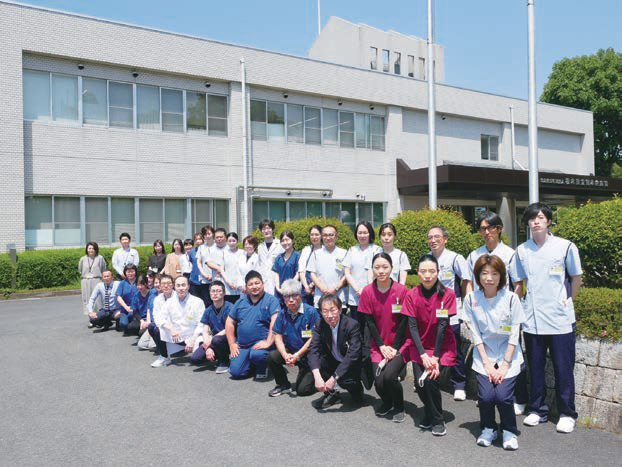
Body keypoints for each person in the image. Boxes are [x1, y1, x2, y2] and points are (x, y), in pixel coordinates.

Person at [515, 202, 583, 433]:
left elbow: (576, 277)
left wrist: (568, 301)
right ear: (527, 223)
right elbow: (519, 283)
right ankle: (537, 410)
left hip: (560, 320)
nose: (536, 221)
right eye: (532, 218)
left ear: (549, 221)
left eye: (541, 217)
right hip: (533, 320)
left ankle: (567, 413)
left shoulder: (565, 247)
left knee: (564, 368)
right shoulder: (522, 250)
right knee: (535, 368)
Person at [466, 211, 527, 414]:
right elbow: (469, 285)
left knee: (512, 352)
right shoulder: (475, 255)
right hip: (481, 313)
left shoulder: (510, 254)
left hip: (505, 313)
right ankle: (489, 395)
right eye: (483, 228)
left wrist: (511, 309)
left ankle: (517, 397)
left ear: (499, 229)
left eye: (491, 228)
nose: (487, 232)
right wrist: (470, 311)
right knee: (485, 352)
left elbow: (518, 284)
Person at [463, 254, 524, 450]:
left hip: (509, 355)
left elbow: (515, 333)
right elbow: (476, 334)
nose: (489, 278)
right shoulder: (472, 299)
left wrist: (505, 365)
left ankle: (509, 431)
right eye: (484, 273)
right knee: (486, 397)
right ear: (478, 276)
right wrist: (488, 364)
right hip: (484, 354)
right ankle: (488, 428)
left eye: (494, 273)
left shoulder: (511, 299)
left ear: (501, 276)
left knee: (504, 396)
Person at [401, 254, 457, 436]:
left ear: (438, 272)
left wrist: (435, 357)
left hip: (441, 347)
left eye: (432, 271)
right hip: (420, 346)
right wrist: (423, 354)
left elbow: (442, 327)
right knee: (420, 382)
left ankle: (437, 419)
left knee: (430, 381)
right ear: (417, 272)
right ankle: (429, 411)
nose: (427, 275)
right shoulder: (411, 295)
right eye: (423, 271)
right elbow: (412, 326)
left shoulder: (448, 295)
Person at [359, 252, 411, 422]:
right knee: (379, 381)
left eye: (385, 267)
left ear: (391, 268)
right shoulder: (367, 292)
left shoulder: (402, 291)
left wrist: (395, 348)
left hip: (400, 344)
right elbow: (370, 322)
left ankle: (399, 405)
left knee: (389, 376)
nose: (381, 271)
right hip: (378, 344)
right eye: (377, 267)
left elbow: (404, 322)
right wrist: (381, 346)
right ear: (372, 269)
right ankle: (387, 402)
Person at [427, 225, 473, 401]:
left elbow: (467, 282)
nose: (433, 240)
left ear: (445, 239)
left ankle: (459, 384)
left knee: (453, 348)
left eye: (437, 236)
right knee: (431, 346)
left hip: (451, 311)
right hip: (430, 311)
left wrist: (467, 310)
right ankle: (431, 378)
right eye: (430, 237)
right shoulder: (427, 258)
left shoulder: (455, 258)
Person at [307, 294, 364, 409]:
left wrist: (334, 378)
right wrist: (317, 375)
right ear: (321, 312)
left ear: (339, 309)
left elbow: (353, 354)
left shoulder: (352, 325)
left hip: (351, 363)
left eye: (333, 310)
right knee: (316, 364)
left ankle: (357, 391)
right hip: (333, 359)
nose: (329, 315)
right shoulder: (320, 325)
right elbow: (313, 349)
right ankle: (333, 394)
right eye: (325, 311)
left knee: (344, 380)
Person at [266, 279, 321, 397]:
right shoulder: (282, 313)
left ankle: (321, 374)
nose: (291, 300)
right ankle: (283, 385)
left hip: (308, 355)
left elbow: (313, 338)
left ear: (300, 296)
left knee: (302, 391)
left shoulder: (311, 312)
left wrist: (297, 355)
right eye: (287, 296)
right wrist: (285, 355)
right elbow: (278, 336)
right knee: (272, 356)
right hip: (291, 352)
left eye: (294, 296)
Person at [225, 270, 280, 379]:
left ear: (263, 284)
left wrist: (269, 342)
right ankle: (251, 365)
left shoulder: (271, 300)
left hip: (261, 345)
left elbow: (275, 322)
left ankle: (263, 366)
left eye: (257, 283)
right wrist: (232, 344)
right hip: (243, 345)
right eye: (250, 284)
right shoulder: (240, 302)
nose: (254, 286)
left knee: (257, 356)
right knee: (235, 373)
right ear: (246, 287)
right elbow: (229, 322)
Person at [156, 275, 205, 365]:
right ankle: (164, 357)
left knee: (196, 359)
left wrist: (193, 339)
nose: (181, 288)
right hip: (177, 336)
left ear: (188, 286)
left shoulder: (197, 302)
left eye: (183, 285)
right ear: (174, 287)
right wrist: (171, 329)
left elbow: (201, 323)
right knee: (156, 328)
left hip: (194, 336)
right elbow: (160, 318)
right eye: (178, 286)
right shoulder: (170, 302)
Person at [189, 280, 233, 372]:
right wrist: (208, 347)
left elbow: (228, 328)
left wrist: (211, 341)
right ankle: (216, 354)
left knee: (217, 340)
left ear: (224, 293)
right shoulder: (208, 310)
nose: (215, 293)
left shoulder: (230, 307)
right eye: (213, 291)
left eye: (218, 291)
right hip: (214, 341)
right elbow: (205, 330)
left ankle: (224, 362)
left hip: (228, 339)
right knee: (195, 359)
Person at [344, 220, 381, 320]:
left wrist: (365, 290)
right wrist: (357, 289)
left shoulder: (377, 250)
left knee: (370, 327)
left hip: (372, 294)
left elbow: (378, 272)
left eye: (365, 232)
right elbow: (347, 272)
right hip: (355, 296)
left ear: (370, 233)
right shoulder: (352, 250)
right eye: (360, 233)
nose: (362, 235)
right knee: (356, 327)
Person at [307, 225, 348, 309]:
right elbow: (312, 274)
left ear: (336, 237)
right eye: (325, 235)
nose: (328, 237)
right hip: (320, 297)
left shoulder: (344, 253)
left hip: (339, 297)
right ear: (322, 237)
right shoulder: (316, 253)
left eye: (331, 235)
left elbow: (346, 274)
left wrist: (335, 288)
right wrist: (322, 288)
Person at [150, 274, 175, 367]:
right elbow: (156, 316)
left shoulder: (178, 297)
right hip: (165, 326)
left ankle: (165, 354)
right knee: (152, 326)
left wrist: (170, 327)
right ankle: (164, 355)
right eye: (163, 283)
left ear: (173, 285)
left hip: (177, 328)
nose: (166, 286)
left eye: (169, 283)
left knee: (158, 329)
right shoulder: (157, 299)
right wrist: (164, 325)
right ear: (160, 285)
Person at [79, 241, 107, 319]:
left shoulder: (100, 258)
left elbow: (103, 268)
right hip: (85, 281)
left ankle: (99, 316)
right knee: (87, 299)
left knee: (98, 299)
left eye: (93, 248)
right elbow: (80, 269)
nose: (91, 250)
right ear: (87, 249)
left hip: (97, 280)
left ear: (96, 249)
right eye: (89, 248)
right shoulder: (83, 259)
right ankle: (91, 318)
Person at [272, 230, 300, 306]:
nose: (285, 242)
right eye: (282, 241)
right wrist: (278, 288)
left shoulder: (297, 256)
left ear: (293, 240)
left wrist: (289, 288)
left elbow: (298, 273)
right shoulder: (279, 257)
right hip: (280, 292)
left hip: (293, 292)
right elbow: (276, 272)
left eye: (287, 240)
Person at [257, 219, 284, 295]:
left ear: (273, 230)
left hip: (278, 280)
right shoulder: (260, 247)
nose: (266, 231)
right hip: (264, 281)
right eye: (263, 229)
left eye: (268, 228)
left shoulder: (280, 245)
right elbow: (259, 265)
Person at [298, 225, 322, 305]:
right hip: (305, 289)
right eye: (312, 234)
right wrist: (306, 287)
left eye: (317, 234)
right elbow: (301, 270)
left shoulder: (325, 251)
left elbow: (323, 273)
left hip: (320, 287)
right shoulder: (306, 250)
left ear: (321, 235)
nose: (314, 237)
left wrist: (311, 286)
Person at [220, 232, 244, 304]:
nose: (231, 243)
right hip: (227, 285)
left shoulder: (242, 253)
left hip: (240, 285)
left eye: (233, 241)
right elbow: (222, 270)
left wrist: (240, 284)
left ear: (237, 241)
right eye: (229, 241)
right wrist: (228, 282)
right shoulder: (224, 253)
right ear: (227, 242)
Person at [196, 225, 216, 307]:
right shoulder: (201, 248)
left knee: (216, 299)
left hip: (217, 277)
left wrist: (212, 275)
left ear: (213, 234)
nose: (207, 236)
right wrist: (204, 274)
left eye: (209, 233)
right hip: (205, 279)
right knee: (206, 301)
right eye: (205, 234)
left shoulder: (218, 246)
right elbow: (199, 262)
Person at [115, 264, 138, 332]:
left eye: (132, 271)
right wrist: (126, 307)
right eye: (128, 272)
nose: (130, 273)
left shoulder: (139, 282)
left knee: (131, 315)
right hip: (125, 308)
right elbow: (119, 297)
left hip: (136, 308)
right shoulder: (122, 283)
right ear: (125, 273)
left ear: (135, 272)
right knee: (123, 324)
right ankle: (121, 320)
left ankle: (133, 325)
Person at [188, 233, 204, 299]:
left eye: (200, 239)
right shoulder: (192, 252)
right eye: (196, 239)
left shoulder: (207, 250)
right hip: (194, 280)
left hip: (205, 281)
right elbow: (192, 262)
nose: (198, 241)